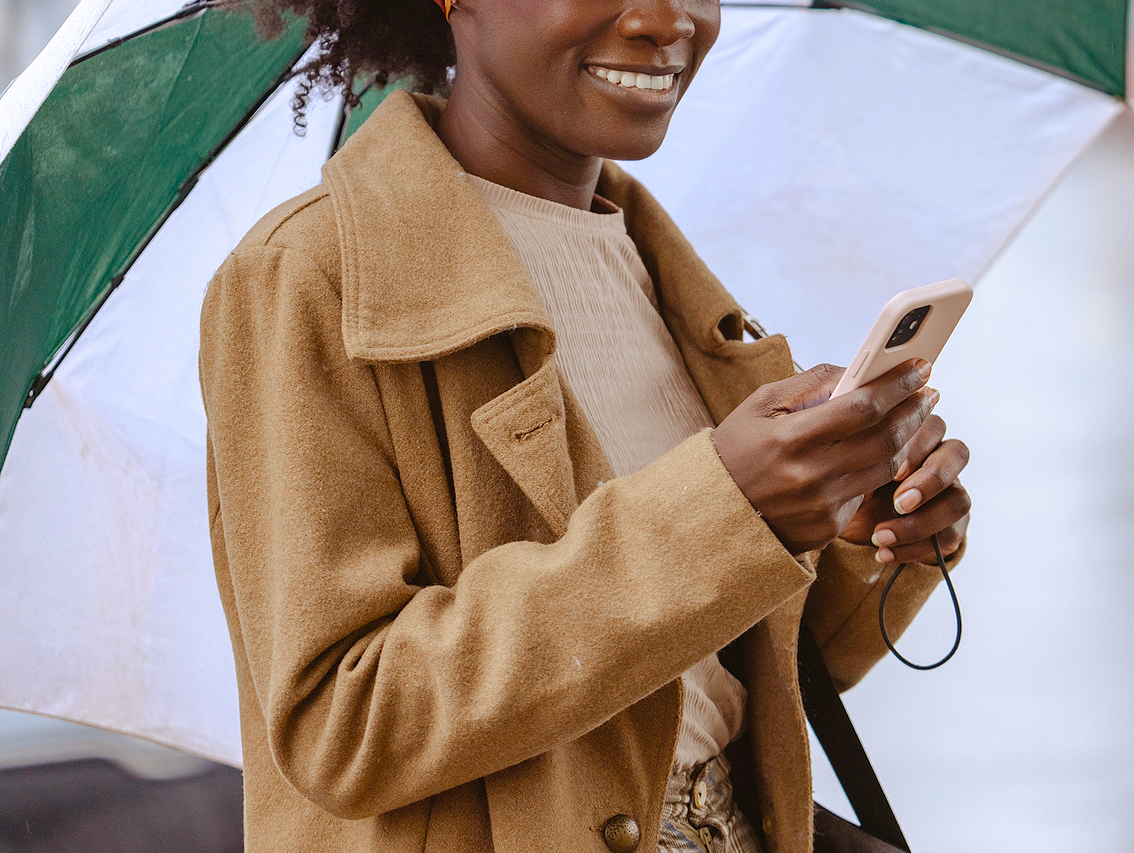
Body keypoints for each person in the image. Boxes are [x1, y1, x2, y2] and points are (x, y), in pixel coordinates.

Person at [199, 0, 972, 851]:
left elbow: (719, 686)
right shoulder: (309, 281)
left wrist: (854, 532)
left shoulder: (653, 271)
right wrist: (723, 509)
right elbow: (344, 724)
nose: (665, 18)